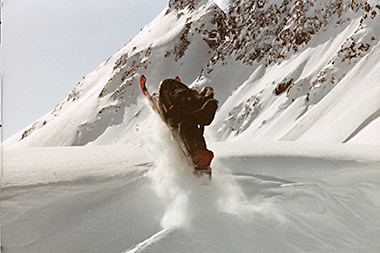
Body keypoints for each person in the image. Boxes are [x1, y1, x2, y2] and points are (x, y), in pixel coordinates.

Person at [158, 77, 218, 169]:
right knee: (192, 132)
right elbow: (202, 124)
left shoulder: (199, 104)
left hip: (181, 125)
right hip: (195, 138)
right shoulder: (205, 105)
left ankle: (193, 160)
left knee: (184, 126)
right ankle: (197, 163)